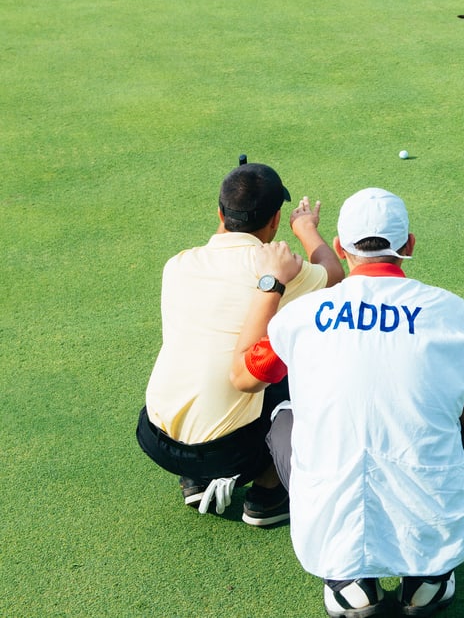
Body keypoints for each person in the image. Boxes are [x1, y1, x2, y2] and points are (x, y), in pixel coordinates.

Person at [230, 188, 464, 617]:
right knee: (459, 416)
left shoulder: (299, 316)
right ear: (408, 246)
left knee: (282, 418)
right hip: (435, 531)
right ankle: (427, 579)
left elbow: (242, 376)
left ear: (339, 247)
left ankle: (349, 583)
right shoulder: (454, 313)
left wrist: (271, 283)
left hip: (330, 533)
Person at [136, 161, 345, 527]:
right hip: (229, 450)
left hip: (154, 438)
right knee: (309, 363)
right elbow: (334, 276)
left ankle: (197, 480)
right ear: (276, 220)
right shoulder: (282, 271)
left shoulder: (178, 264)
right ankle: (268, 492)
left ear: (219, 212)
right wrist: (307, 229)